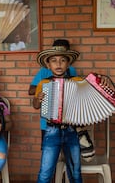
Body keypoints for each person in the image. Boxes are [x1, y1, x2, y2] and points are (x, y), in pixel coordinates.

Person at [32, 45, 83, 183]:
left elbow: (88, 98)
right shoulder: (44, 83)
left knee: (76, 172)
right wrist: (38, 99)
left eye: (62, 60)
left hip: (72, 131)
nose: (58, 64)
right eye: (54, 61)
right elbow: (36, 106)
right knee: (45, 172)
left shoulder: (78, 82)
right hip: (51, 131)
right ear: (48, 65)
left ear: (68, 64)